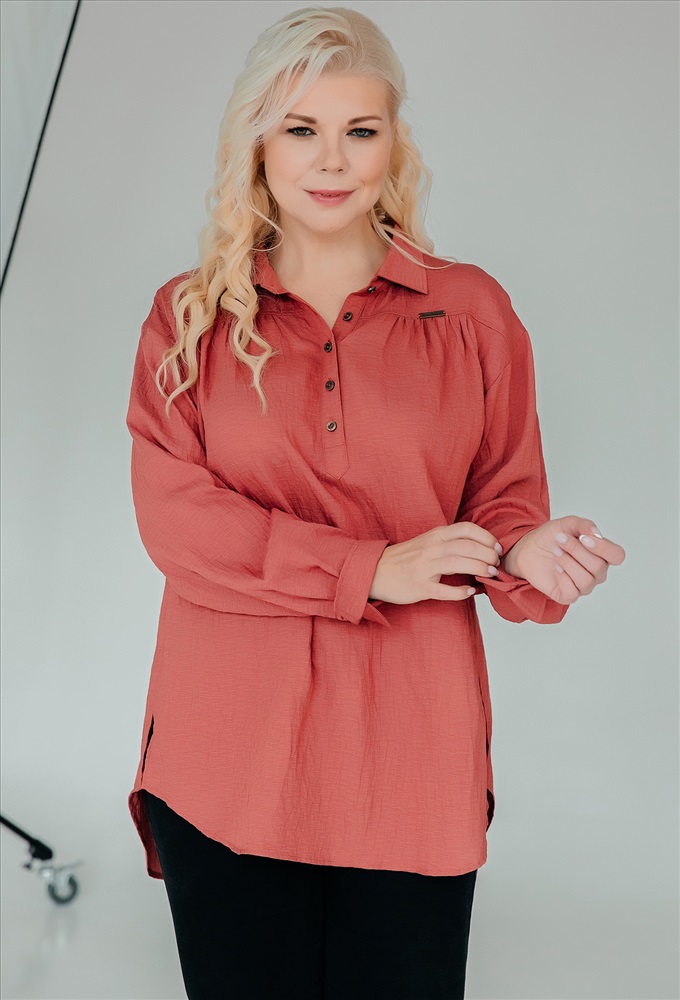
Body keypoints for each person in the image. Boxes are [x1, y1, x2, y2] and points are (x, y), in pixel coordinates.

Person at [125, 6, 626, 999]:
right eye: (300, 129)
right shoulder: (188, 319)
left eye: (360, 129)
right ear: (257, 143)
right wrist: (370, 567)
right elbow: (177, 522)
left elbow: (503, 497)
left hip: (410, 748)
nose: (331, 159)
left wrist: (524, 550)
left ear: (393, 141)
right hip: (228, 754)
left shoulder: (470, 311)